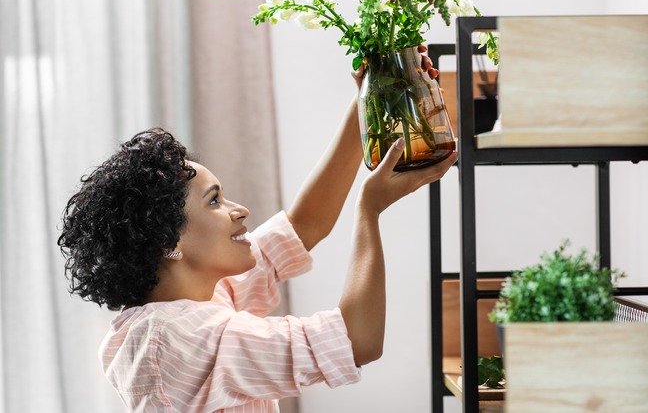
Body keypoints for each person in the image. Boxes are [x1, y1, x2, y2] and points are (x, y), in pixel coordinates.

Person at [58, 59, 457, 412]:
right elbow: (358, 342)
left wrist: (365, 104)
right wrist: (368, 211)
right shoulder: (172, 337)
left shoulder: (198, 298)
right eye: (214, 202)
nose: (240, 210)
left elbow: (304, 226)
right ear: (169, 243)